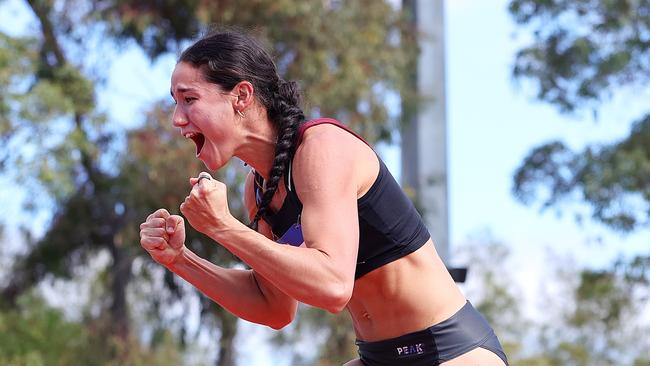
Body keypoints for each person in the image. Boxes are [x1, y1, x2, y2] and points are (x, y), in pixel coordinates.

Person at [139, 30, 509, 366]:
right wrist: (180, 260)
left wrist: (223, 227)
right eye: (175, 102)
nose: (177, 119)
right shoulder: (260, 191)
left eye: (189, 100)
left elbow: (333, 285)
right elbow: (273, 307)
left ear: (241, 96)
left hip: (450, 351)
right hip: (377, 359)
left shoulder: (322, 147)